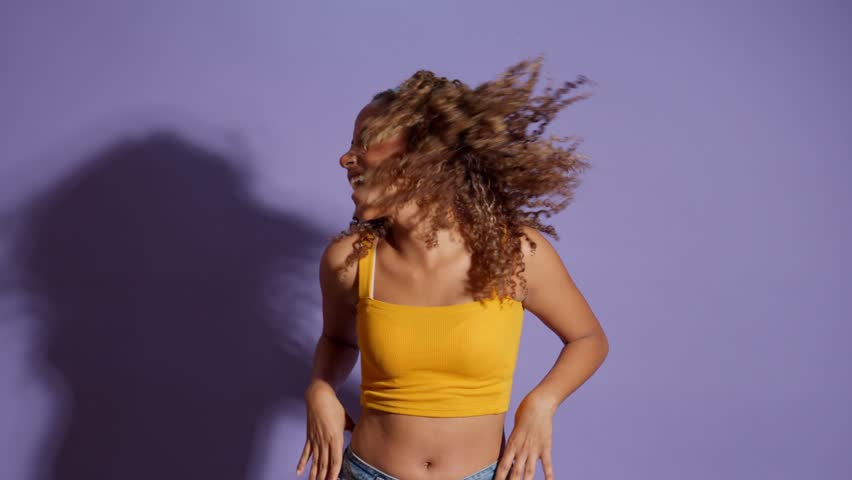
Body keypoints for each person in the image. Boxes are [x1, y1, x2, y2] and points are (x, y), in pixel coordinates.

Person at [297, 57, 609, 480]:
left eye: (363, 142)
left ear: (426, 154)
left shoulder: (516, 253)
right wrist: (320, 388)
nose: (344, 159)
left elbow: (588, 338)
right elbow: (337, 340)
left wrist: (541, 403)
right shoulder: (349, 261)